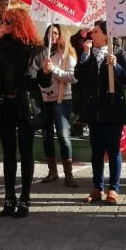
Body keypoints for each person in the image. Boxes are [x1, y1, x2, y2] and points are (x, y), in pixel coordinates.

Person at [0, 7, 49, 218]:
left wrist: (46, 72)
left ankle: (25, 198)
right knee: (8, 154)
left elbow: (43, 82)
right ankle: (9, 198)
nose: (4, 24)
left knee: (26, 152)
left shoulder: (36, 49)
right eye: (3, 20)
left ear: (19, 23)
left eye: (8, 21)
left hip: (26, 106)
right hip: (6, 104)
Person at [75, 20, 126, 205]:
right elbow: (79, 76)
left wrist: (116, 67)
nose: (92, 35)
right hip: (94, 111)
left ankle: (113, 188)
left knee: (113, 150)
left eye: (96, 31)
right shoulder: (89, 55)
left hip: (113, 109)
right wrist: (84, 56)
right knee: (97, 151)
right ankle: (97, 187)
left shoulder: (118, 53)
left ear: (107, 34)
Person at [39, 23, 78, 187]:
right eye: (49, 33)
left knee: (63, 136)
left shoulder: (67, 54)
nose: (52, 36)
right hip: (45, 100)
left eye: (55, 33)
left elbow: (73, 77)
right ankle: (52, 171)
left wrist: (53, 69)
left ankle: (68, 174)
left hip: (62, 100)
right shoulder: (43, 53)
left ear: (60, 35)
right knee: (47, 136)